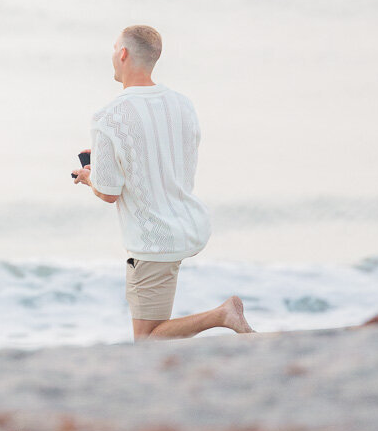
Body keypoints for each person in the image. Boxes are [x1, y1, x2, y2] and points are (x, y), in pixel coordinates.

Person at [73, 24, 253, 341]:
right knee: (155, 335)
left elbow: (108, 192)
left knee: (146, 341)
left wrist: (90, 176)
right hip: (189, 224)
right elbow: (168, 157)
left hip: (153, 239)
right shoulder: (183, 104)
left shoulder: (109, 116)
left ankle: (222, 314)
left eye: (114, 48)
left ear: (123, 53)